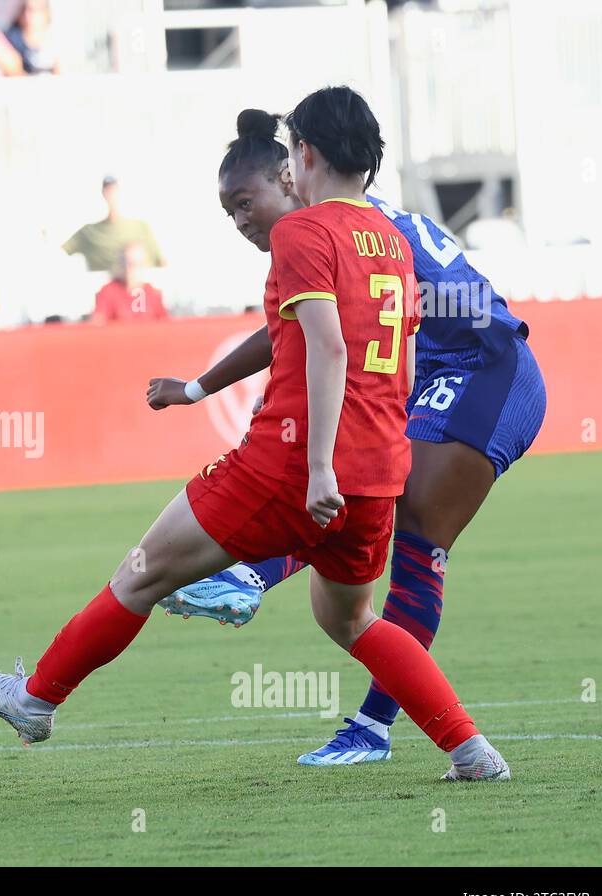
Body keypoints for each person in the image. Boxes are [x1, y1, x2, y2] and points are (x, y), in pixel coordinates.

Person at [0, 86, 511, 783]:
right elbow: (386, 358)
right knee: (354, 621)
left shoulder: (302, 233)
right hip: (378, 470)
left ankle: (36, 700)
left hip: (291, 465)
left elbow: (329, 349)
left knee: (142, 574)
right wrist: (202, 391)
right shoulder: (392, 241)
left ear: (303, 155)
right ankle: (471, 751)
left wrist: (317, 469)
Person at [148, 107, 546, 766]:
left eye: (249, 202)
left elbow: (314, 336)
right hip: (435, 371)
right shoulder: (352, 218)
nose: (246, 221)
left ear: (296, 166)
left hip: (486, 369)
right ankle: (257, 580)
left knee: (412, 527)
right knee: (363, 494)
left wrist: (197, 389)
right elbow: (291, 330)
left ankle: (371, 724)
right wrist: (195, 389)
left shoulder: (342, 228)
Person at [62, 175, 164, 273]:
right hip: (106, 287)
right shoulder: (88, 232)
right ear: (103, 193)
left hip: (139, 288)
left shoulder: (141, 227)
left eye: (114, 190)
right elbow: (59, 253)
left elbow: (161, 263)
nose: (112, 195)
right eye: (108, 190)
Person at [90, 243, 168, 324]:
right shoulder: (108, 291)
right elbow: (98, 322)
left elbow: (165, 324)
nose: (130, 268)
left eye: (135, 263)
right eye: (126, 262)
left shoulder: (152, 293)